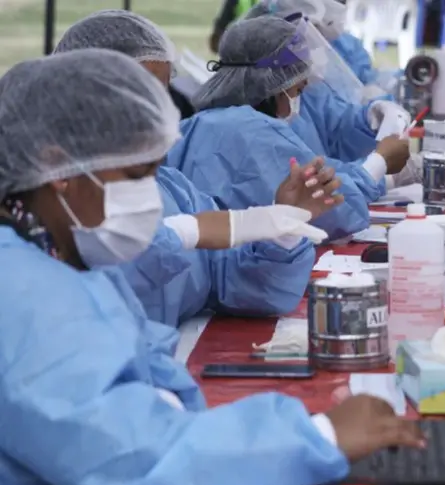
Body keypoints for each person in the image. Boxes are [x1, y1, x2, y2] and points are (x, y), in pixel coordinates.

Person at [0, 48, 425, 485]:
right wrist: (315, 436)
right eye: (136, 175)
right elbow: (124, 452)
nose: (151, 196)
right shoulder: (21, 289)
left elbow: (153, 377)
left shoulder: (61, 255)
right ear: (60, 169)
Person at [54, 9, 343, 327]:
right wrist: (182, 233)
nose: (156, 112)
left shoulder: (172, 189)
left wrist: (282, 236)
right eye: (140, 96)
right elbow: (100, 301)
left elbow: (233, 280)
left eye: (161, 95)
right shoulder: (52, 199)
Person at [168, 16, 412, 237]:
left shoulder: (204, 123)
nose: (300, 100)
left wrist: (370, 121)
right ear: (273, 84)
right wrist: (379, 163)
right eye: (297, 90)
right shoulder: (252, 131)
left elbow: (323, 172)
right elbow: (328, 210)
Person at [243, 0, 423, 187]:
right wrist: (379, 175)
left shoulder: (304, 94)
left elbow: (336, 127)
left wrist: (369, 118)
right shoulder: (252, 118)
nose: (316, 49)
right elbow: (309, 186)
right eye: (308, 38)